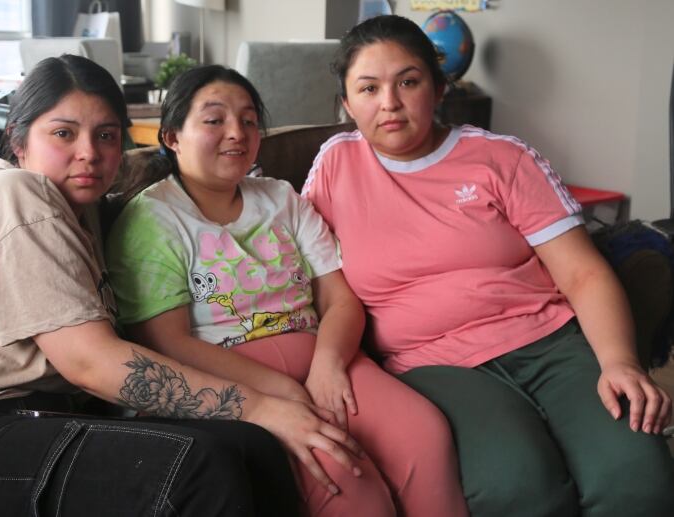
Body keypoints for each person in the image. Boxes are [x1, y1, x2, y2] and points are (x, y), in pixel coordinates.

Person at [0, 54, 304, 517]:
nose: (89, 152)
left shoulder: (88, 211)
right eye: (64, 133)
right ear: (19, 139)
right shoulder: (13, 194)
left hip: (38, 418)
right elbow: (90, 362)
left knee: (252, 447)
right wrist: (259, 405)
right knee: (197, 465)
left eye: (106, 135)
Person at [302, 14, 674, 517]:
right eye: (368, 88)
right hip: (430, 362)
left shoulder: (500, 158)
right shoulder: (334, 165)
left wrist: (619, 362)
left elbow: (582, 273)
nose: (388, 103)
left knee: (637, 476)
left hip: (549, 342)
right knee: (520, 489)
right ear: (347, 105)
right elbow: (306, 272)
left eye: (408, 82)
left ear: (437, 88)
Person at [105, 64, 469, 517]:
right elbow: (165, 342)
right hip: (230, 374)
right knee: (351, 484)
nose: (236, 132)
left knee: (423, 433)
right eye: (214, 120)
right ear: (172, 137)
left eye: (249, 120)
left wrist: (328, 367)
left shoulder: (281, 198)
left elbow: (339, 299)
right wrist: (278, 389)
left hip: (324, 358)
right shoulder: (153, 218)